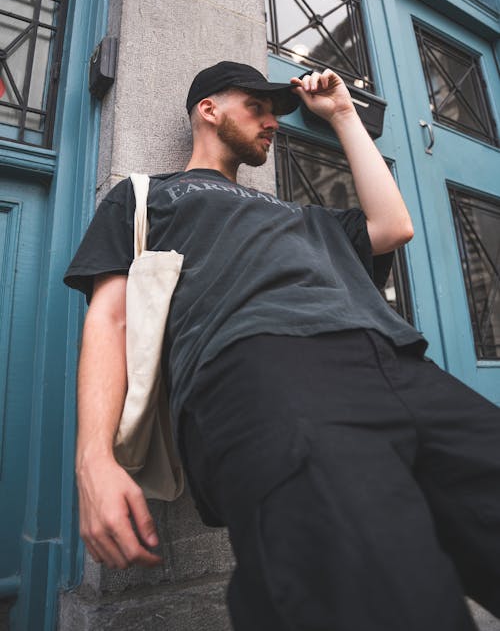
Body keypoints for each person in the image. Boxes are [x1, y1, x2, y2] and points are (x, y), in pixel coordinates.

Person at [64, 61, 500, 631]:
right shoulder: (148, 195)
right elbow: (112, 316)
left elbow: (394, 226)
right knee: (376, 590)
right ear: (209, 109)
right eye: (258, 106)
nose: (272, 122)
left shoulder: (305, 216)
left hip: (399, 364)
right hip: (267, 372)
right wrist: (94, 458)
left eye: (276, 112)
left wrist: (344, 114)